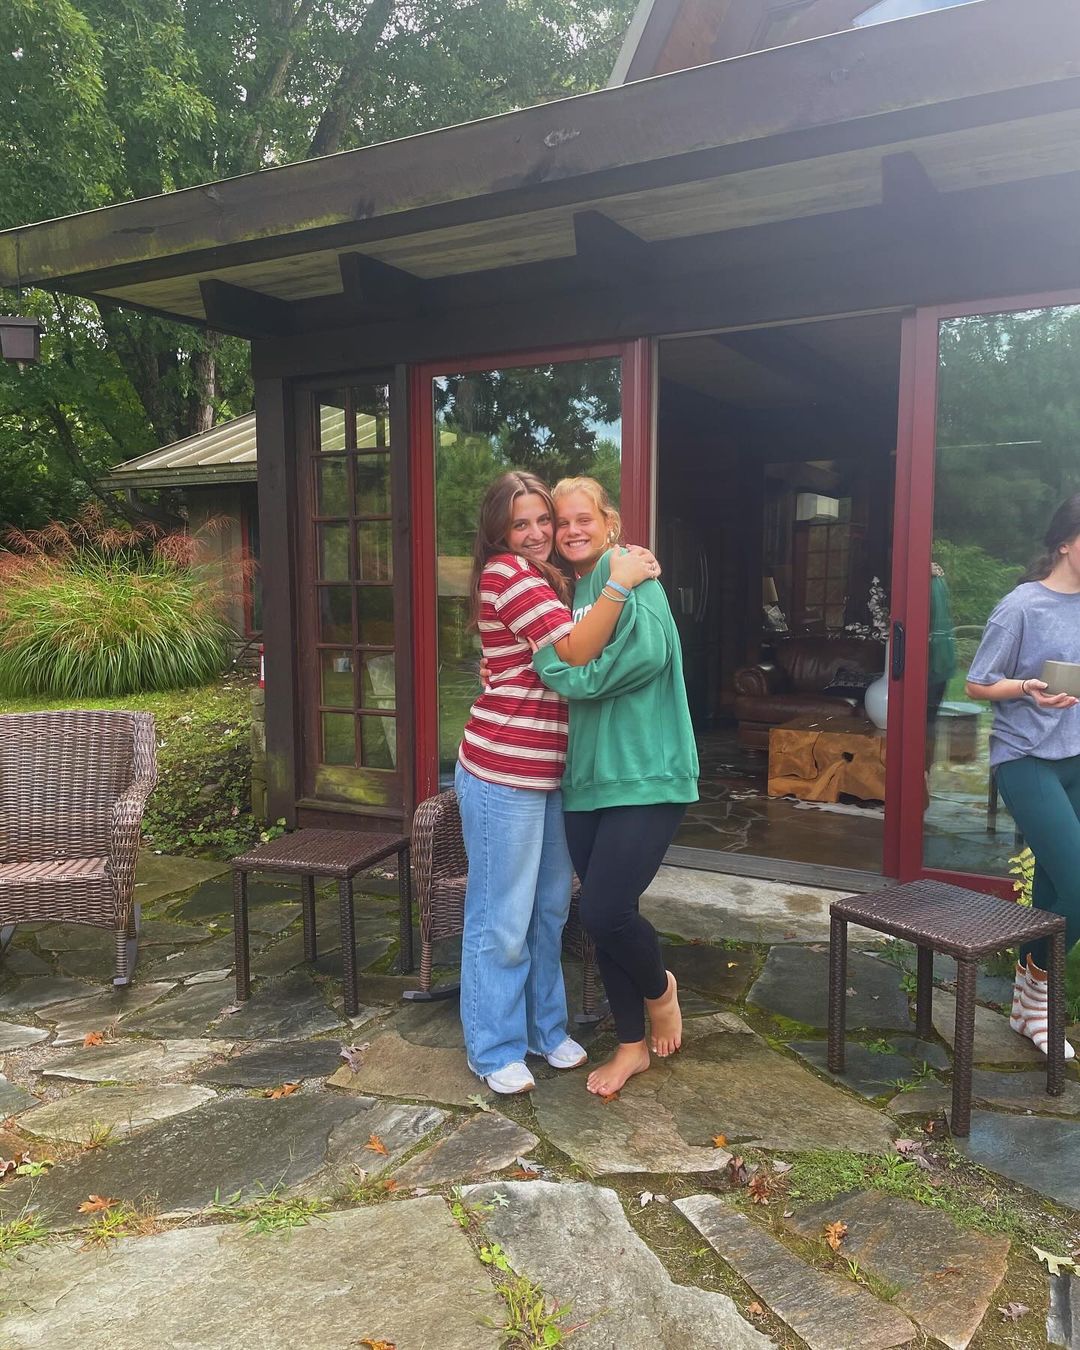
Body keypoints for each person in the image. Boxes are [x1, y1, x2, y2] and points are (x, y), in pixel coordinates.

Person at [457, 470, 660, 1095]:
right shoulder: (509, 574)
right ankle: (493, 1048)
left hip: (549, 773)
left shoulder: (550, 578)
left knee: (547, 910)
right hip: (503, 771)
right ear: (499, 531)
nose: (538, 532)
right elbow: (573, 650)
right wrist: (621, 583)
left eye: (543, 519)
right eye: (521, 524)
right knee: (501, 917)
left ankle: (544, 1030)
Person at [532, 476, 699, 1096]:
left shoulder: (629, 573)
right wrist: (562, 666)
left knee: (604, 908)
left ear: (610, 523)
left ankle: (660, 991)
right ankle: (631, 1046)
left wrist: (568, 675)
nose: (571, 530)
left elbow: (646, 657)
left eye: (584, 518)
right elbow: (546, 656)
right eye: (561, 522)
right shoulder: (567, 591)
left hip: (647, 771)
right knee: (604, 920)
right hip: (587, 778)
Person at [966, 492, 1080, 1059]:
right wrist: (1027, 688)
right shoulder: (1022, 606)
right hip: (1026, 758)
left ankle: (1029, 1002)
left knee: (1058, 888)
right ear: (1065, 543)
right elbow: (977, 683)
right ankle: (1036, 993)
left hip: (1076, 755)